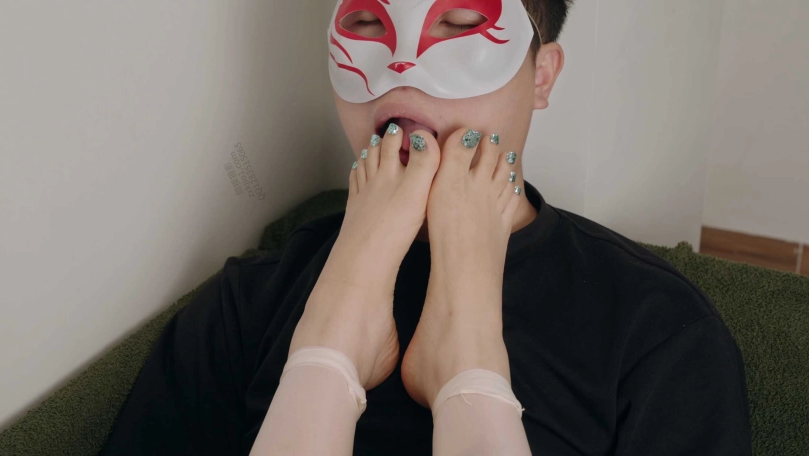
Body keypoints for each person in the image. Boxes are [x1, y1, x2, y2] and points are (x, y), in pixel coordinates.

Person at [101, 0, 753, 455]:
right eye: (366, 22)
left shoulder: (656, 328)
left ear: (541, 76)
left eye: (460, 23)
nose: (402, 67)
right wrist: (331, 331)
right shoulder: (247, 302)